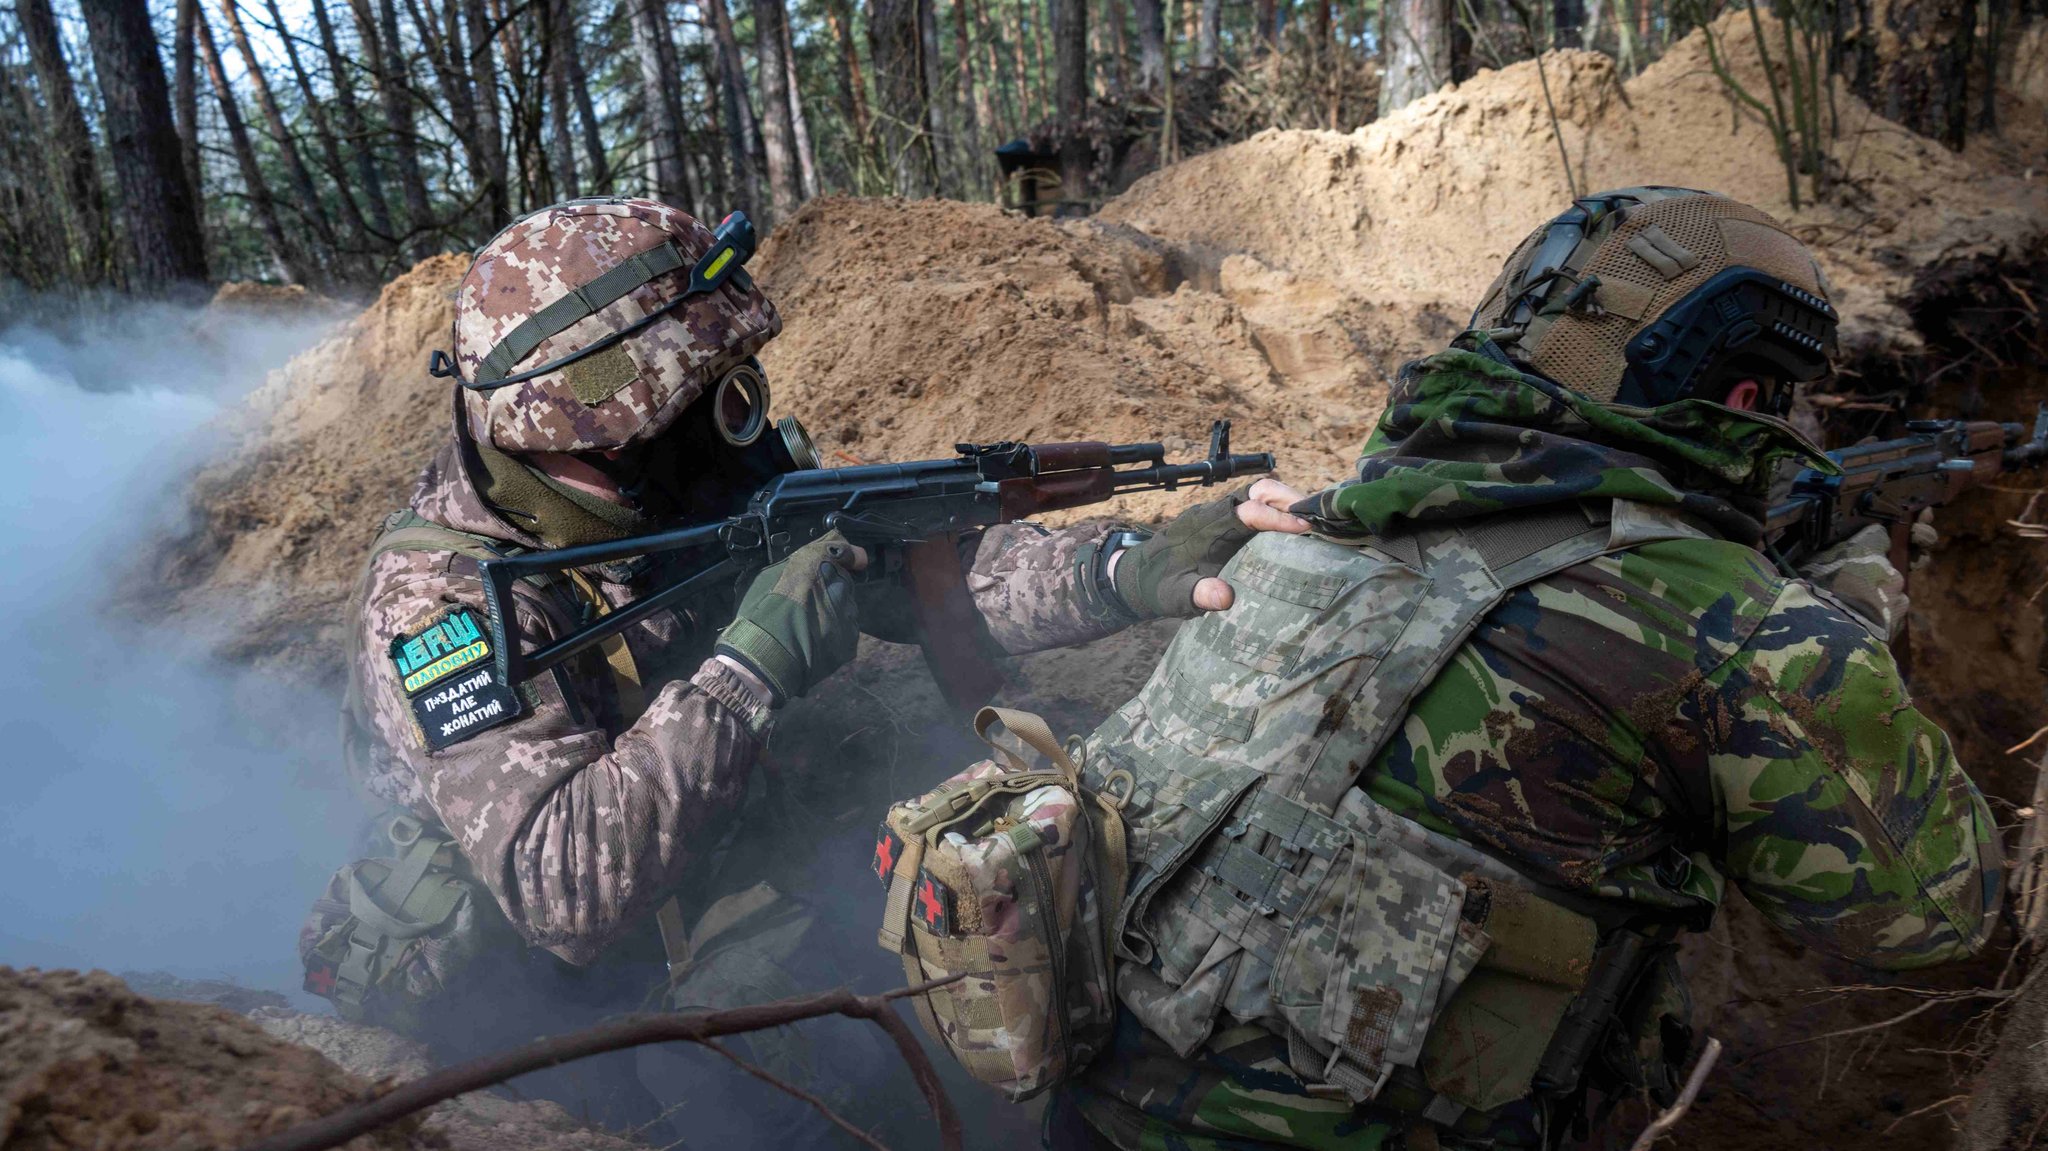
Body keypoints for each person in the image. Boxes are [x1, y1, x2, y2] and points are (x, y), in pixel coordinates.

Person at [298, 196, 1301, 1141]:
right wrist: (747, 670)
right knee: (823, 1082)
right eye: (685, 403)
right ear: (585, 425)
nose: (722, 433)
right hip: (556, 994)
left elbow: (921, 568)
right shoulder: (438, 605)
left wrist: (1122, 568)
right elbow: (562, 890)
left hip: (708, 865)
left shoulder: (671, 476)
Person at [1046, 186, 2003, 1151]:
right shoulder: (1745, 625)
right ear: (1747, 396)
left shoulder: (1320, 520)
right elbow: (1931, 912)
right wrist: (1847, 621)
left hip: (1091, 1106)